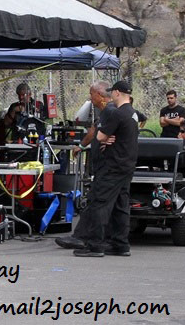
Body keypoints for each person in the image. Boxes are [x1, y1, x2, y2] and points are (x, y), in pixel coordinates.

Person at [72, 80, 139, 258]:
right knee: (120, 205)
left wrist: (105, 137)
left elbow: (100, 136)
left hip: (113, 166)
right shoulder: (132, 113)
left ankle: (95, 245)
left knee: (99, 203)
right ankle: (120, 244)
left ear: (117, 93)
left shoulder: (117, 113)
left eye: (112, 92)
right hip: (127, 165)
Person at [56, 81, 113, 249]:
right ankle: (115, 241)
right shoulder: (103, 113)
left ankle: (84, 238)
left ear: (100, 95)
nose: (90, 97)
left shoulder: (112, 111)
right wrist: (81, 146)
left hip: (110, 165)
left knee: (95, 200)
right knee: (102, 201)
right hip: (102, 164)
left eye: (91, 94)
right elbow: (93, 131)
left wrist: (112, 139)